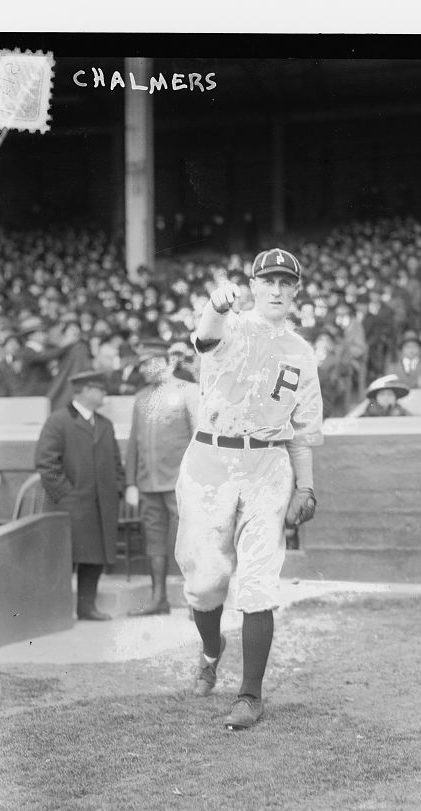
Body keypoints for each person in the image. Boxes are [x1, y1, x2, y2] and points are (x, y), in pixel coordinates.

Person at [175, 247, 323, 731]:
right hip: (211, 462)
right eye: (269, 281)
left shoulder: (301, 352)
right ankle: (210, 650)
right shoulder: (230, 325)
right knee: (205, 583)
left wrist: (307, 485)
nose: (277, 289)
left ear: (296, 291)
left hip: (268, 464)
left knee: (258, 580)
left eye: (286, 282)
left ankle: (250, 695)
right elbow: (204, 335)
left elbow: (302, 430)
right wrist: (217, 305)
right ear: (254, 286)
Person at [35, 370, 125, 621]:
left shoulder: (105, 425)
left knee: (94, 559)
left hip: (101, 507)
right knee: (64, 560)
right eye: (100, 389)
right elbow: (46, 464)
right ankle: (55, 612)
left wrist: (116, 490)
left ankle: (86, 609)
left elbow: (117, 464)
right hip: (69, 508)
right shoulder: (58, 421)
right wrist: (67, 497)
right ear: (85, 391)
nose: (104, 393)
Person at [125, 340, 199, 615]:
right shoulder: (141, 398)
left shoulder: (189, 392)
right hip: (148, 483)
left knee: (190, 540)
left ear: (167, 361)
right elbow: (134, 443)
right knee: (154, 541)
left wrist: (196, 480)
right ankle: (159, 599)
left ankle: (197, 601)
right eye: (142, 364)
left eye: (149, 362)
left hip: (180, 483)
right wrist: (131, 482)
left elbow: (199, 438)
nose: (144, 369)